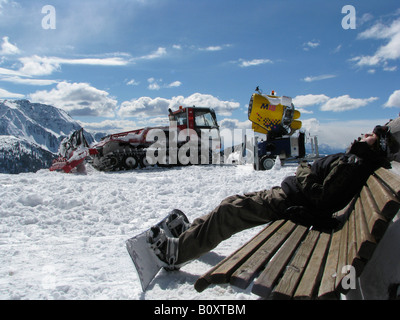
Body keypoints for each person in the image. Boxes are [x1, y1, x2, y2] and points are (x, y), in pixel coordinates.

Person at [149, 120, 400, 270]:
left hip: (292, 203)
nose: (363, 135)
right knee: (230, 202)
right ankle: (191, 235)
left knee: (230, 211)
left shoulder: (355, 163)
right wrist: (307, 170)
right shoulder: (355, 160)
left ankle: (177, 253)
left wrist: (304, 169)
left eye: (370, 136)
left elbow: (320, 195)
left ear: (377, 144)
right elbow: (316, 181)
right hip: (290, 196)